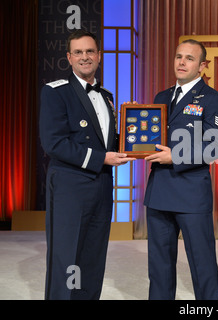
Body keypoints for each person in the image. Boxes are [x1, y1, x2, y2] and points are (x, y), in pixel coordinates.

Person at [39, 30, 135, 300]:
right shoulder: (56, 92)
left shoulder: (107, 96)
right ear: (69, 58)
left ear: (99, 56)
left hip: (102, 186)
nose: (85, 57)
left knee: (93, 257)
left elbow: (110, 142)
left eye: (90, 51)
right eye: (78, 52)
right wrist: (101, 158)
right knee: (67, 256)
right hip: (71, 186)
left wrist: (132, 124)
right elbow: (54, 143)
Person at [143, 39, 218, 300]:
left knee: (202, 265)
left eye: (189, 58)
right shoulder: (161, 97)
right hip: (159, 192)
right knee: (159, 267)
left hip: (191, 195)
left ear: (202, 66)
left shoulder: (214, 99)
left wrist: (176, 156)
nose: (181, 62)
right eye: (178, 56)